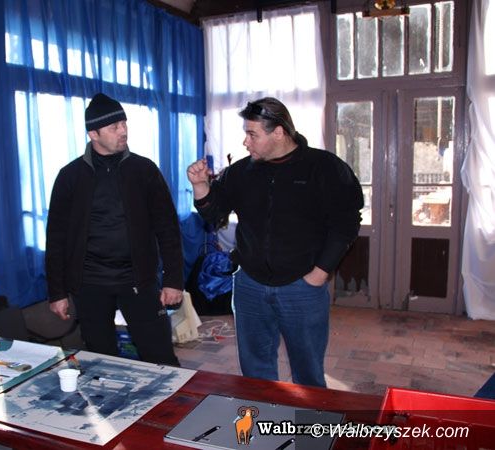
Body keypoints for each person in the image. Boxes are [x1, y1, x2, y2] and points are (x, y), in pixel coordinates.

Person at [187, 97, 363, 387]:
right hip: (250, 285)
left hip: (302, 287)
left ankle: (308, 416)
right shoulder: (241, 172)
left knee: (308, 372)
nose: (245, 142)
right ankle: (264, 415)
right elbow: (214, 215)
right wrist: (200, 187)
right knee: (255, 370)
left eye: (252, 134)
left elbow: (346, 223)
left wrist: (320, 272)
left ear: (279, 132)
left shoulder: (324, 167)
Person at [46, 93, 183, 366]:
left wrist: (173, 280)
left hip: (138, 281)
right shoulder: (70, 176)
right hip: (90, 284)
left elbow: (167, 228)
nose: (123, 131)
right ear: (93, 134)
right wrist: (57, 293)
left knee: (161, 358)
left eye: (124, 123)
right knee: (100, 360)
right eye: (114, 127)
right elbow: (56, 238)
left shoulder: (144, 170)